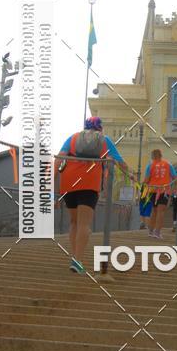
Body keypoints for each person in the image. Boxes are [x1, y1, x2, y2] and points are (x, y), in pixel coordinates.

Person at [55, 116, 131, 277]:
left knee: (74, 222)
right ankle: (77, 261)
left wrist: (49, 189)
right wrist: (131, 175)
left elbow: (58, 159)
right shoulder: (104, 140)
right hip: (89, 184)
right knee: (84, 224)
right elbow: (120, 162)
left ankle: (75, 258)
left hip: (69, 183)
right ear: (100, 128)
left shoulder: (73, 138)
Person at [141, 149, 177, 239]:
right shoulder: (168, 164)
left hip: (153, 190)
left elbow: (146, 179)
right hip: (164, 190)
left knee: (154, 210)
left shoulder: (150, 165)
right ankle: (157, 232)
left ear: (153, 156)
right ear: (161, 155)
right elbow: (175, 177)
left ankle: (150, 231)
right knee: (161, 212)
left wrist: (143, 188)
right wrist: (173, 188)